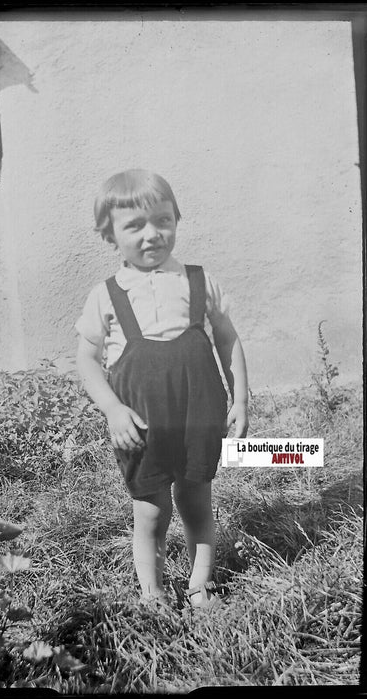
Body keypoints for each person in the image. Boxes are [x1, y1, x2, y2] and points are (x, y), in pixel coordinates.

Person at [75, 169, 249, 609]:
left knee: (195, 500)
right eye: (134, 226)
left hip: (198, 414)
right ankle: (152, 592)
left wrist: (242, 397)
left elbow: (228, 339)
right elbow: (87, 360)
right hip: (141, 423)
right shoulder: (106, 295)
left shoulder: (197, 280)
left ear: (176, 219)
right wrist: (113, 409)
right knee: (151, 511)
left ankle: (199, 585)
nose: (152, 235)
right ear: (109, 235)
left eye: (162, 220)